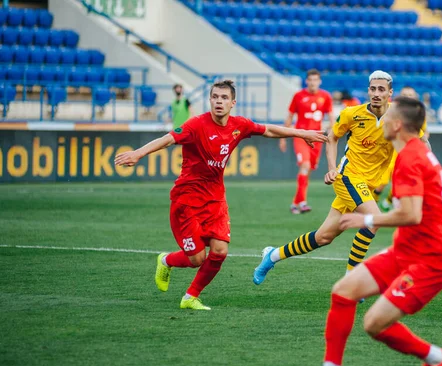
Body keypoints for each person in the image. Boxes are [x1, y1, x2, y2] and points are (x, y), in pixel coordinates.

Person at [294, 96, 442, 366]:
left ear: (397, 125)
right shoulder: (420, 153)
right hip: (406, 251)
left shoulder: (410, 159)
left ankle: (436, 358)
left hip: (432, 261)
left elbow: (411, 215)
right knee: (343, 291)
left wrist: (365, 218)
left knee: (373, 324)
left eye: (387, 118)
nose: (380, 121)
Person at [114, 80, 327, 311]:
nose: (219, 101)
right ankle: (165, 260)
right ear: (210, 100)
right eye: (215, 97)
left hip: (215, 199)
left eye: (224, 98)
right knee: (196, 259)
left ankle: (190, 297)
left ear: (232, 103)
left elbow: (269, 130)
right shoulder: (196, 125)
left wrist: (301, 132)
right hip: (187, 199)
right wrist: (139, 153)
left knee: (219, 251)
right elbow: (168, 139)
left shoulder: (239, 125)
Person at [253, 71, 395, 285]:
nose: (376, 93)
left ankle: (272, 255)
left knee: (323, 237)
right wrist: (331, 168)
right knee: (374, 219)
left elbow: (422, 143)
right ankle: (352, 279)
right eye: (373, 89)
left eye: (381, 89)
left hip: (367, 185)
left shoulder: (401, 116)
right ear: (368, 90)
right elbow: (332, 136)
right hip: (348, 177)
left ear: (390, 93)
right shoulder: (351, 114)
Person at [280, 69, 335, 214]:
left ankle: (295, 203)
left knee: (308, 170)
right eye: (310, 80)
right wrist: (283, 138)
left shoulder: (325, 96)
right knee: (305, 165)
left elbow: (331, 117)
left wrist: (333, 132)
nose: (313, 83)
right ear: (306, 81)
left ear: (319, 81)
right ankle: (303, 202)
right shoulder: (298, 96)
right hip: (301, 136)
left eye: (315, 80)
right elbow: (290, 116)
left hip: (317, 137)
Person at [373, 86, 430, 212]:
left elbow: (423, 133)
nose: (407, 97)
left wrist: (422, 147)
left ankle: (389, 202)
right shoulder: (391, 109)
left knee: (400, 178)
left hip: (405, 150)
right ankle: (373, 204)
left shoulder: (419, 113)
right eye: (405, 94)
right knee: (382, 179)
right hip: (390, 149)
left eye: (410, 94)